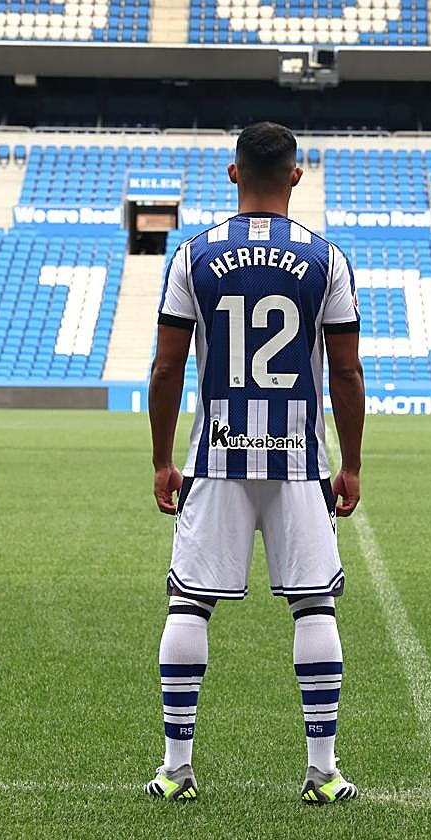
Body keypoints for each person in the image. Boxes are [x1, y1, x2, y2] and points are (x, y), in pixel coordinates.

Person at [144, 122, 365, 805]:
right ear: (296, 175)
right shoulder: (327, 259)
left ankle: (176, 769)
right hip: (300, 461)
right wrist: (352, 463)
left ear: (233, 172)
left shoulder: (193, 255)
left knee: (189, 603)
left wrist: (161, 460)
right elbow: (347, 372)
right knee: (314, 604)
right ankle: (322, 771)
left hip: (216, 457)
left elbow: (166, 368)